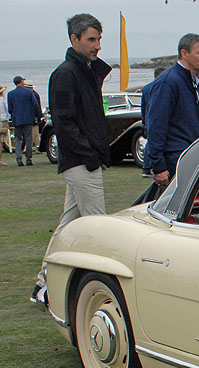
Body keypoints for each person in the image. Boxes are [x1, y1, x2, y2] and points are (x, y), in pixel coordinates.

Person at [32, 13, 112, 303]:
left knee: (69, 223)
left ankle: (43, 282)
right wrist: (90, 155)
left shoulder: (84, 72)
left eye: (99, 39)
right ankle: (103, 289)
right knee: (97, 227)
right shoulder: (66, 74)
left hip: (85, 159)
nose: (98, 45)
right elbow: (64, 123)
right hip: (81, 161)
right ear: (74, 39)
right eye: (92, 39)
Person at [144, 33, 199, 187]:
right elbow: (156, 125)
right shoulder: (168, 82)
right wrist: (158, 166)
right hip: (176, 157)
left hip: (192, 153)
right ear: (184, 53)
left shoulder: (192, 80)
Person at [7, 76, 41, 166]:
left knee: (18, 138)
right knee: (29, 138)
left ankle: (19, 159)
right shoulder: (29, 92)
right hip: (28, 118)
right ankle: (28, 159)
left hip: (17, 119)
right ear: (22, 82)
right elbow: (35, 104)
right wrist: (38, 115)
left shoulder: (10, 94)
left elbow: (10, 109)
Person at [0, 85, 9, 166]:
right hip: (1, 121)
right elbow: (4, 112)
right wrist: (7, 122)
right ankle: (0, 160)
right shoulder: (2, 100)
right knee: (1, 141)